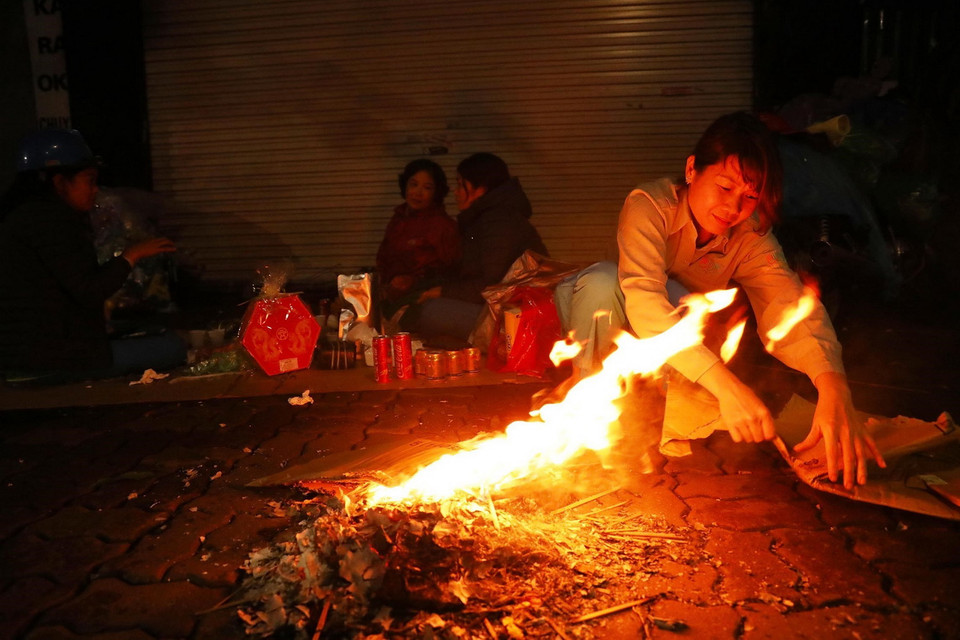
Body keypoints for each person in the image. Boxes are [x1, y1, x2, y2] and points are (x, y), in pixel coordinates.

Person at [556, 112, 885, 489]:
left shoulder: (751, 234)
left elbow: (787, 302)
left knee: (692, 315)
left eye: (749, 196)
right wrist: (728, 387)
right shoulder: (649, 205)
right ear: (693, 169)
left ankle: (650, 420)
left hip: (678, 333)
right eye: (725, 187)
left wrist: (832, 384)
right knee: (602, 280)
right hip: (609, 317)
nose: (733, 208)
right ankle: (584, 415)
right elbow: (644, 300)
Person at [0, 128, 186, 382]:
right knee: (172, 345)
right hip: (48, 360)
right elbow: (89, 288)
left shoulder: (23, 217)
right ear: (60, 182)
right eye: (89, 180)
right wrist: (132, 255)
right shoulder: (49, 222)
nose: (95, 190)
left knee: (142, 330)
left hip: (29, 352)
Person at [400, 152, 548, 343]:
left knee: (432, 312)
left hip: (516, 318)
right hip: (499, 309)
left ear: (481, 188)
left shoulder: (499, 221)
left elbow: (492, 285)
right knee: (428, 308)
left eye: (462, 184)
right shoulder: (485, 219)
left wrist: (443, 292)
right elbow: (469, 274)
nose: (456, 191)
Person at [376, 159, 459, 318]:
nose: (418, 192)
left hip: (422, 303)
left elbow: (453, 271)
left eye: (427, 188)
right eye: (413, 184)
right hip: (391, 299)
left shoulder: (442, 226)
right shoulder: (398, 220)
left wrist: (413, 282)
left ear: (436, 193)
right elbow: (383, 258)